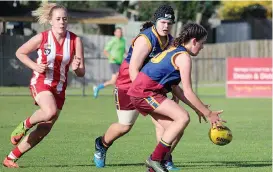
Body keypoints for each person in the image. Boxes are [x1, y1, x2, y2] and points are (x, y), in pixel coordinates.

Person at [127, 23, 225, 172]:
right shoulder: (183, 57)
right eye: (202, 43)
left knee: (176, 130)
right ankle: (154, 159)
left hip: (144, 92)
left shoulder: (174, 50)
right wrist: (208, 114)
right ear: (193, 41)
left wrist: (198, 109)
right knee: (183, 117)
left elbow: (176, 89)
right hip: (144, 92)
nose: (203, 47)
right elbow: (188, 92)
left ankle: (154, 168)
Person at [94, 5, 182, 171]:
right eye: (163, 22)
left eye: (169, 23)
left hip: (151, 87)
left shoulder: (170, 41)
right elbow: (134, 69)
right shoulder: (146, 38)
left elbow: (169, 69)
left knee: (165, 124)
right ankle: (102, 144)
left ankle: (163, 160)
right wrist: (141, 94)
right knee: (125, 126)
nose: (166, 26)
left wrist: (174, 92)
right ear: (156, 22)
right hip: (129, 84)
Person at [2, 2, 85, 168]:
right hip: (41, 82)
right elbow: (20, 52)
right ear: (51, 21)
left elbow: (81, 72)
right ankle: (25, 124)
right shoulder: (43, 37)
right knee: (49, 111)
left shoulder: (75, 40)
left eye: (65, 19)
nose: (62, 22)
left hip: (59, 88)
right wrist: (34, 66)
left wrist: (77, 68)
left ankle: (10, 158)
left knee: (44, 129)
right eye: (58, 19)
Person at [93, 27, 126, 98]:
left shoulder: (123, 40)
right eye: (118, 32)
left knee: (114, 81)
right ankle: (117, 94)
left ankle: (98, 88)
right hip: (113, 62)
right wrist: (111, 57)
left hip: (120, 62)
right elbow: (105, 51)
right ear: (115, 33)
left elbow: (124, 50)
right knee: (117, 77)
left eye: (120, 32)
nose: (119, 33)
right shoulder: (113, 41)